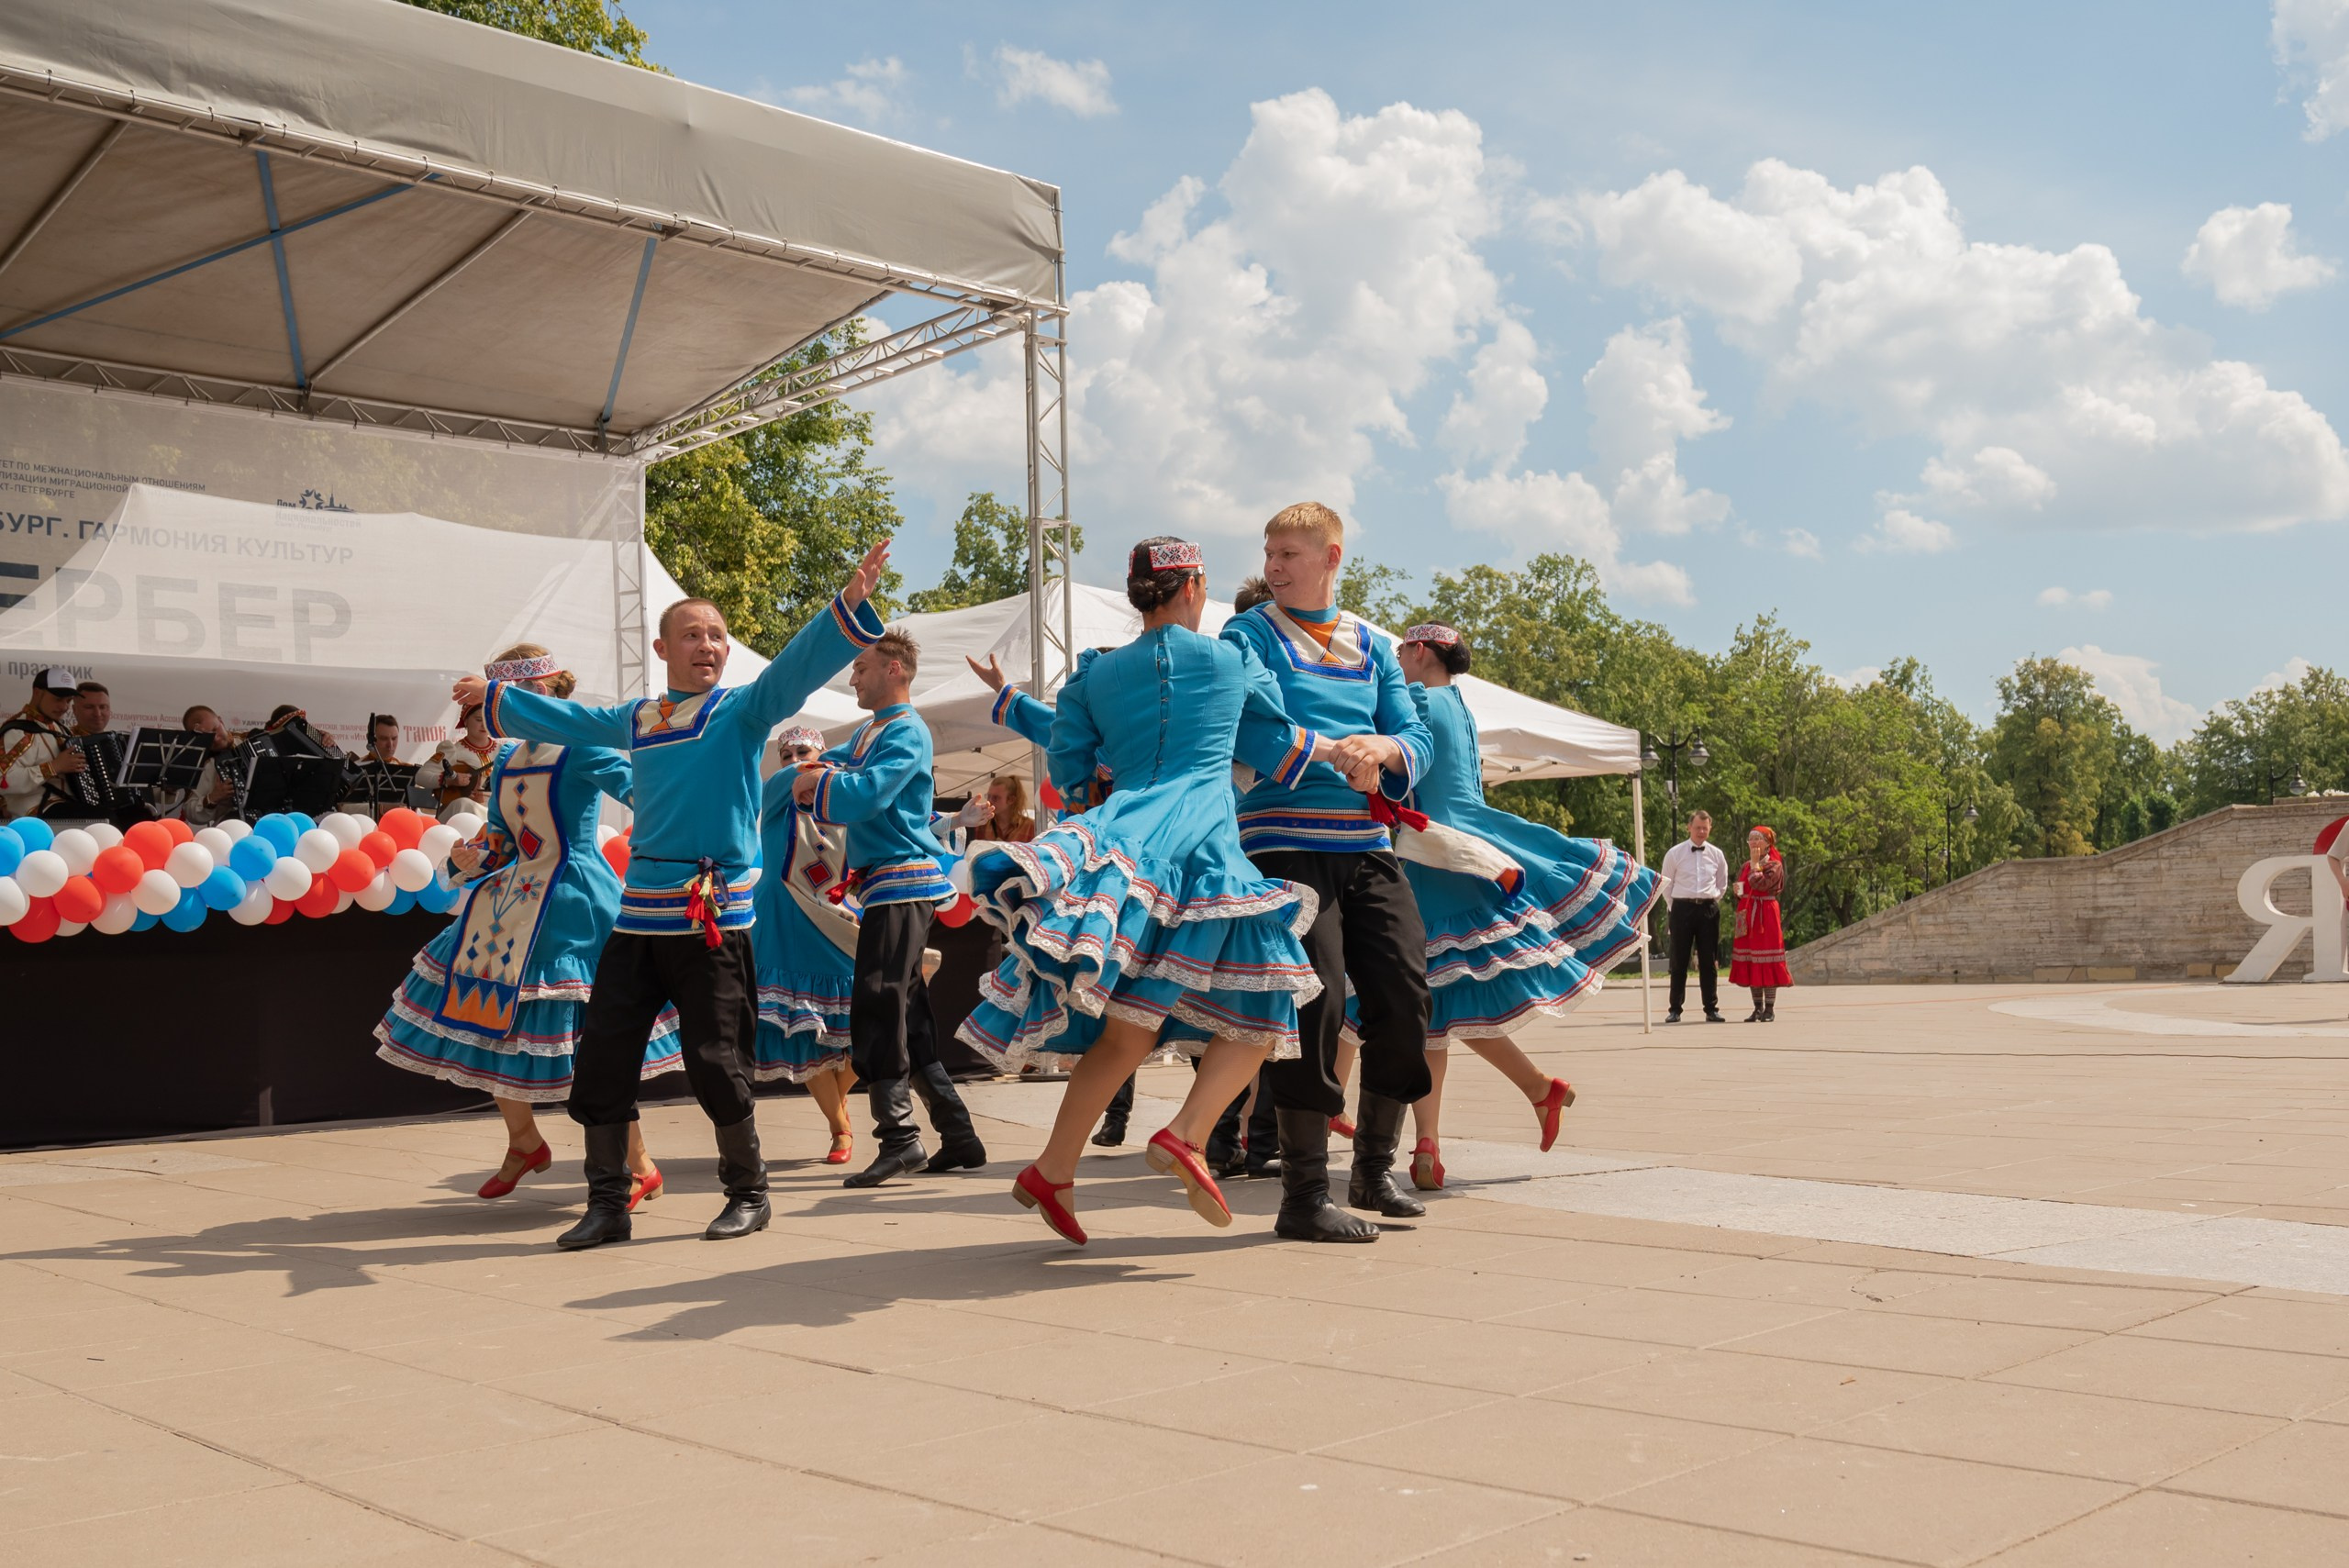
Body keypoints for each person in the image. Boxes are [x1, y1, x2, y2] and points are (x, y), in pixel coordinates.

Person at [452, 539, 893, 1251]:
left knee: (716, 1058)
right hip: (639, 913)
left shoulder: (743, 712)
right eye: (692, 634)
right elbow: (568, 721)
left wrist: (846, 605)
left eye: (717, 635)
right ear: (663, 647)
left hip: (712, 915)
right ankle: (607, 1202)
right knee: (602, 1056)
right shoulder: (639, 719)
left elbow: (793, 670)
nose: (708, 645)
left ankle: (749, 1192)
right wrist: (497, 698)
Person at [958, 536, 1332, 1245]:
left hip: (1127, 842)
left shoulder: (1095, 675)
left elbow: (1072, 772)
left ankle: (1055, 1166)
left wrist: (1082, 759)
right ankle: (1188, 1132)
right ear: (1192, 587)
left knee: (1133, 1024)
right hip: (1203, 845)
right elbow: (1277, 747)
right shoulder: (1232, 659)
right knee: (1272, 992)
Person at [378, 643, 677, 1205]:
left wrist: (679, 818)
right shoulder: (510, 759)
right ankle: (524, 1141)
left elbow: (645, 796)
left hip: (576, 906)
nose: (506, 708)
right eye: (503, 699)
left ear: (547, 694)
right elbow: (500, 842)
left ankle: (639, 1164)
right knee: (485, 1020)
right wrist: (469, 860)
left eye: (517, 697)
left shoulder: (582, 746)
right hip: (509, 906)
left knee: (593, 1044)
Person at [1368, 624, 1660, 1188]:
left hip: (1435, 851)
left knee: (1418, 998)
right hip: (1469, 841)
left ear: (1422, 651)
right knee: (1440, 1005)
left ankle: (1439, 1130)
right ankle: (1440, 1137)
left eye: (1404, 650)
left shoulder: (1421, 701)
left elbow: (1404, 775)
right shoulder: (1459, 703)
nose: (1399, 658)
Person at [1221, 501, 1436, 1240]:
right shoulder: (1246, 631)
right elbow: (1255, 721)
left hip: (1367, 846)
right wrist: (1343, 748)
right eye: (1270, 552)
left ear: (1331, 557)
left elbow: (1414, 731)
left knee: (1407, 994)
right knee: (1312, 1006)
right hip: (1283, 844)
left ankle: (1374, 1170)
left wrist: (1387, 754)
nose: (1273, 566)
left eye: (1288, 554)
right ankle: (1302, 1195)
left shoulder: (1374, 644)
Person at [793, 628, 989, 1188]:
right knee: (909, 1013)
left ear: (894, 670)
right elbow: (831, 765)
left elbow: (863, 793)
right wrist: (804, 770)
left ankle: (900, 1138)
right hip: (886, 883)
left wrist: (813, 782)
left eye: (861, 666)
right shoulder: (871, 732)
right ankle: (958, 1134)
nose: (853, 676)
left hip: (902, 880)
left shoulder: (905, 732)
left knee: (877, 1004)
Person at [752, 726, 860, 1163]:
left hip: (834, 915)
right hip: (782, 916)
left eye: (803, 750)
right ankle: (840, 1129)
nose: (794, 758)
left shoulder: (842, 799)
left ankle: (839, 1101)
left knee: (872, 1024)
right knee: (800, 1029)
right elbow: (790, 778)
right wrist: (815, 762)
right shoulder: (777, 795)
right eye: (787, 753)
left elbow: (887, 822)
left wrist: (952, 822)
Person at [1660, 810, 1730, 1024]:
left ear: (1710, 829)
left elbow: (1722, 884)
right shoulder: (1675, 853)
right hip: (1682, 908)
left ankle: (1711, 1008)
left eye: (1705, 828)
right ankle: (1675, 1009)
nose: (1701, 832)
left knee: (1709, 961)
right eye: (1698, 827)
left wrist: (1711, 901)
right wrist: (1675, 907)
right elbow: (1666, 884)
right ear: (1689, 827)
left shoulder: (1717, 854)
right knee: (1679, 960)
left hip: (1708, 909)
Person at [0, 667, 82, 821]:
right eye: (58, 699)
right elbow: (4, 781)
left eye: (68, 701)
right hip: (33, 812)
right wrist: (54, 767)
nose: (64, 707)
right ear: (37, 693)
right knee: (105, 817)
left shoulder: (60, 728)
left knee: (124, 812)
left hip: (63, 806)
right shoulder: (18, 731)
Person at [1731, 825, 1792, 1022]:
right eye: (1751, 839)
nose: (1754, 843)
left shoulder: (1774, 865)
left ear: (1768, 843)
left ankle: (1770, 1008)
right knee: (1751, 959)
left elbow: (1760, 884)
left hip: (1766, 914)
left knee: (1767, 958)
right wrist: (1738, 890)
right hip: (1748, 913)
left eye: (1758, 839)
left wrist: (1756, 864)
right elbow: (1745, 886)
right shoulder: (1745, 865)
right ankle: (1757, 1007)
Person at [164, 706, 245, 825]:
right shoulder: (205, 765)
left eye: (215, 730)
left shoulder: (248, 740)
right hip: (233, 825)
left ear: (221, 721)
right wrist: (213, 797)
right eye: (208, 737)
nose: (216, 739)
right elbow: (190, 811)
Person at [422, 706, 498, 822]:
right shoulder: (452, 750)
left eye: (487, 720)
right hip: (460, 813)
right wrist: (450, 780)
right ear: (466, 721)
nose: (484, 725)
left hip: (494, 811)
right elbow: (421, 776)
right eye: (478, 720)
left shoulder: (503, 751)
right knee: (464, 804)